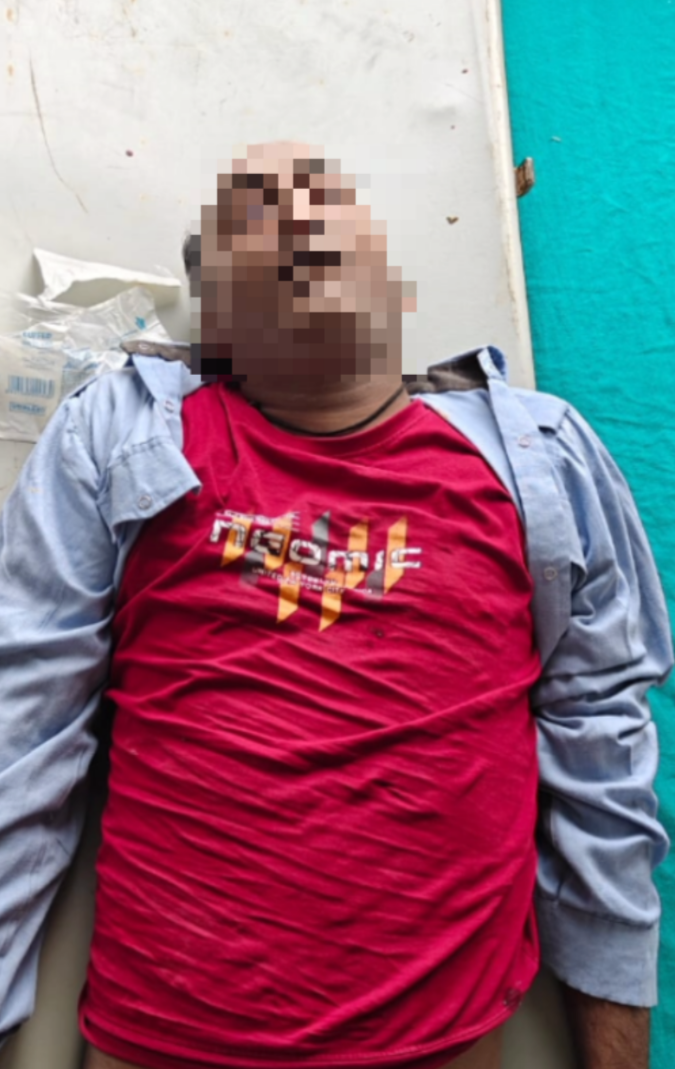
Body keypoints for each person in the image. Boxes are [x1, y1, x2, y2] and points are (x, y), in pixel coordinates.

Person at [0, 142, 671, 1069]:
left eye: (321, 202)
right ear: (215, 320)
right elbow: (22, 729)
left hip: (452, 1044)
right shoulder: (126, 431)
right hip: (160, 1040)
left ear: (392, 289)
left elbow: (604, 760)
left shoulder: (541, 456)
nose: (292, 217)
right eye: (251, 216)